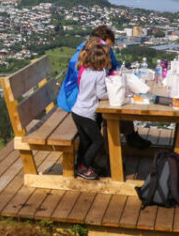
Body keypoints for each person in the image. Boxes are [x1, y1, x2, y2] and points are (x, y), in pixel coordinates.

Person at [57, 25, 152, 149]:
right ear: (99, 43)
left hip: (92, 92)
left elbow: (115, 66)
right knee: (114, 102)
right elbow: (86, 84)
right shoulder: (78, 58)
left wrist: (118, 74)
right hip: (76, 97)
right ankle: (112, 150)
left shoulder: (105, 51)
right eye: (107, 46)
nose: (109, 50)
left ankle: (128, 137)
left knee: (119, 98)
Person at [71, 42, 112, 180]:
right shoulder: (100, 74)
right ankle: (84, 166)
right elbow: (101, 95)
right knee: (97, 141)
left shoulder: (85, 70)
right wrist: (112, 94)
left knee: (85, 141)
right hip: (87, 114)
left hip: (77, 111)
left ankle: (79, 165)